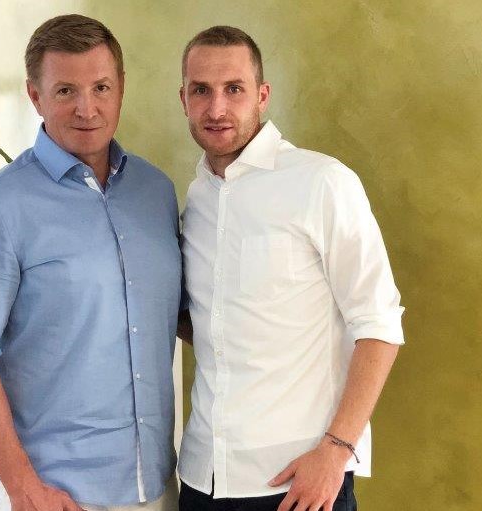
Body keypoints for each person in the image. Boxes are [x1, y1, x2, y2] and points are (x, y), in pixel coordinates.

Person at [0, 14, 181, 511]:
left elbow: (178, 315)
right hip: (55, 493)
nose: (87, 108)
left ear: (121, 89)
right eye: (66, 91)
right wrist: (23, 488)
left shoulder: (155, 191)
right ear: (35, 96)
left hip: (157, 486)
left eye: (101, 87)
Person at [176, 26, 405, 511]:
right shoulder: (196, 199)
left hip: (299, 483)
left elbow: (379, 325)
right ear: (184, 99)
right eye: (201, 90)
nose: (216, 108)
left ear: (262, 95)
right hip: (201, 479)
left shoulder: (322, 182)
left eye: (234, 89)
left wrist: (337, 451)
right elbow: (212, 322)